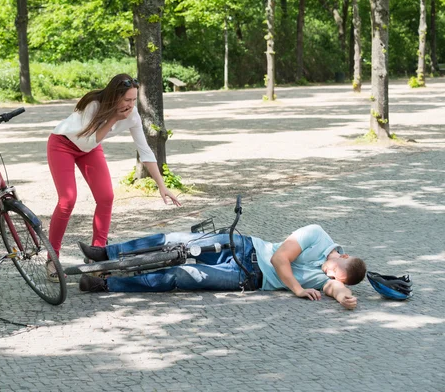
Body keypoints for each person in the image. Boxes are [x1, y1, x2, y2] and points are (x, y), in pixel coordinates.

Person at [77, 224, 367, 310]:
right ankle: (106, 253)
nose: (327, 275)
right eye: (333, 270)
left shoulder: (328, 277)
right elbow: (280, 259)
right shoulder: (316, 234)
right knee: (175, 239)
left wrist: (343, 296)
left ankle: (106, 284)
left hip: (246, 277)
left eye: (332, 277)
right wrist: (297, 288)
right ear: (342, 255)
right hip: (246, 247)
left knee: (182, 276)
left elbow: (333, 286)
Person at [47, 74, 181, 258]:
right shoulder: (94, 105)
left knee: (106, 197)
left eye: (134, 100)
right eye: (127, 99)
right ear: (115, 96)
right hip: (63, 144)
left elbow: (145, 151)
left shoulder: (132, 115)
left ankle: (98, 252)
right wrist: (113, 118)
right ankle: (52, 257)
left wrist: (161, 185)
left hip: (90, 148)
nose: (131, 105)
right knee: (67, 200)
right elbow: (89, 139)